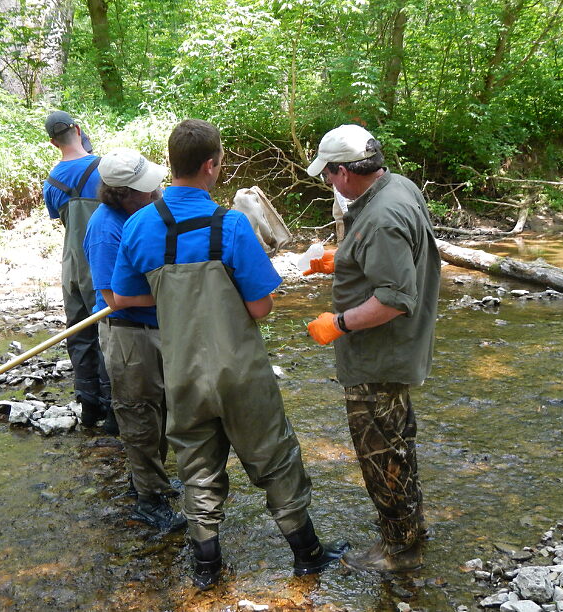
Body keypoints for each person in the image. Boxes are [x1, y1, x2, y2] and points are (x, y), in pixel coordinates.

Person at [111, 119, 347, 590]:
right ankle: (308, 556)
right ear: (211, 166)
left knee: (196, 468)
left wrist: (174, 297)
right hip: (241, 372)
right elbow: (260, 307)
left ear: (170, 165)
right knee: (274, 459)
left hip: (182, 375)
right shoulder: (233, 224)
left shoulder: (138, 225)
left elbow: (121, 298)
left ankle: (206, 569)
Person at [305, 124, 440, 572]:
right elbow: (391, 261)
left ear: (345, 171)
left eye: (328, 173)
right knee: (399, 446)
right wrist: (339, 262)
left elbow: (394, 300)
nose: (326, 181)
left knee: (381, 455)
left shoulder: (382, 217)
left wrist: (337, 324)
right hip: (395, 354)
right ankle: (411, 529)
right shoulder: (397, 185)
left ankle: (398, 551)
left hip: (378, 359)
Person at [82, 148, 185, 532]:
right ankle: (148, 501)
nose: (157, 189)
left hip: (158, 326)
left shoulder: (145, 214)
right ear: (122, 193)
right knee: (139, 413)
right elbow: (114, 299)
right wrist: (181, 293)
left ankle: (146, 480)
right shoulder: (105, 227)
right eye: (146, 187)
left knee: (159, 410)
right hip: (127, 331)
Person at [43, 110, 116, 433]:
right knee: (109, 333)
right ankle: (115, 411)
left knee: (79, 335)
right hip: (102, 261)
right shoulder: (107, 168)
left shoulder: (51, 182)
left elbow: (63, 222)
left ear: (52, 142)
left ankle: (89, 406)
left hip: (70, 267)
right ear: (78, 129)